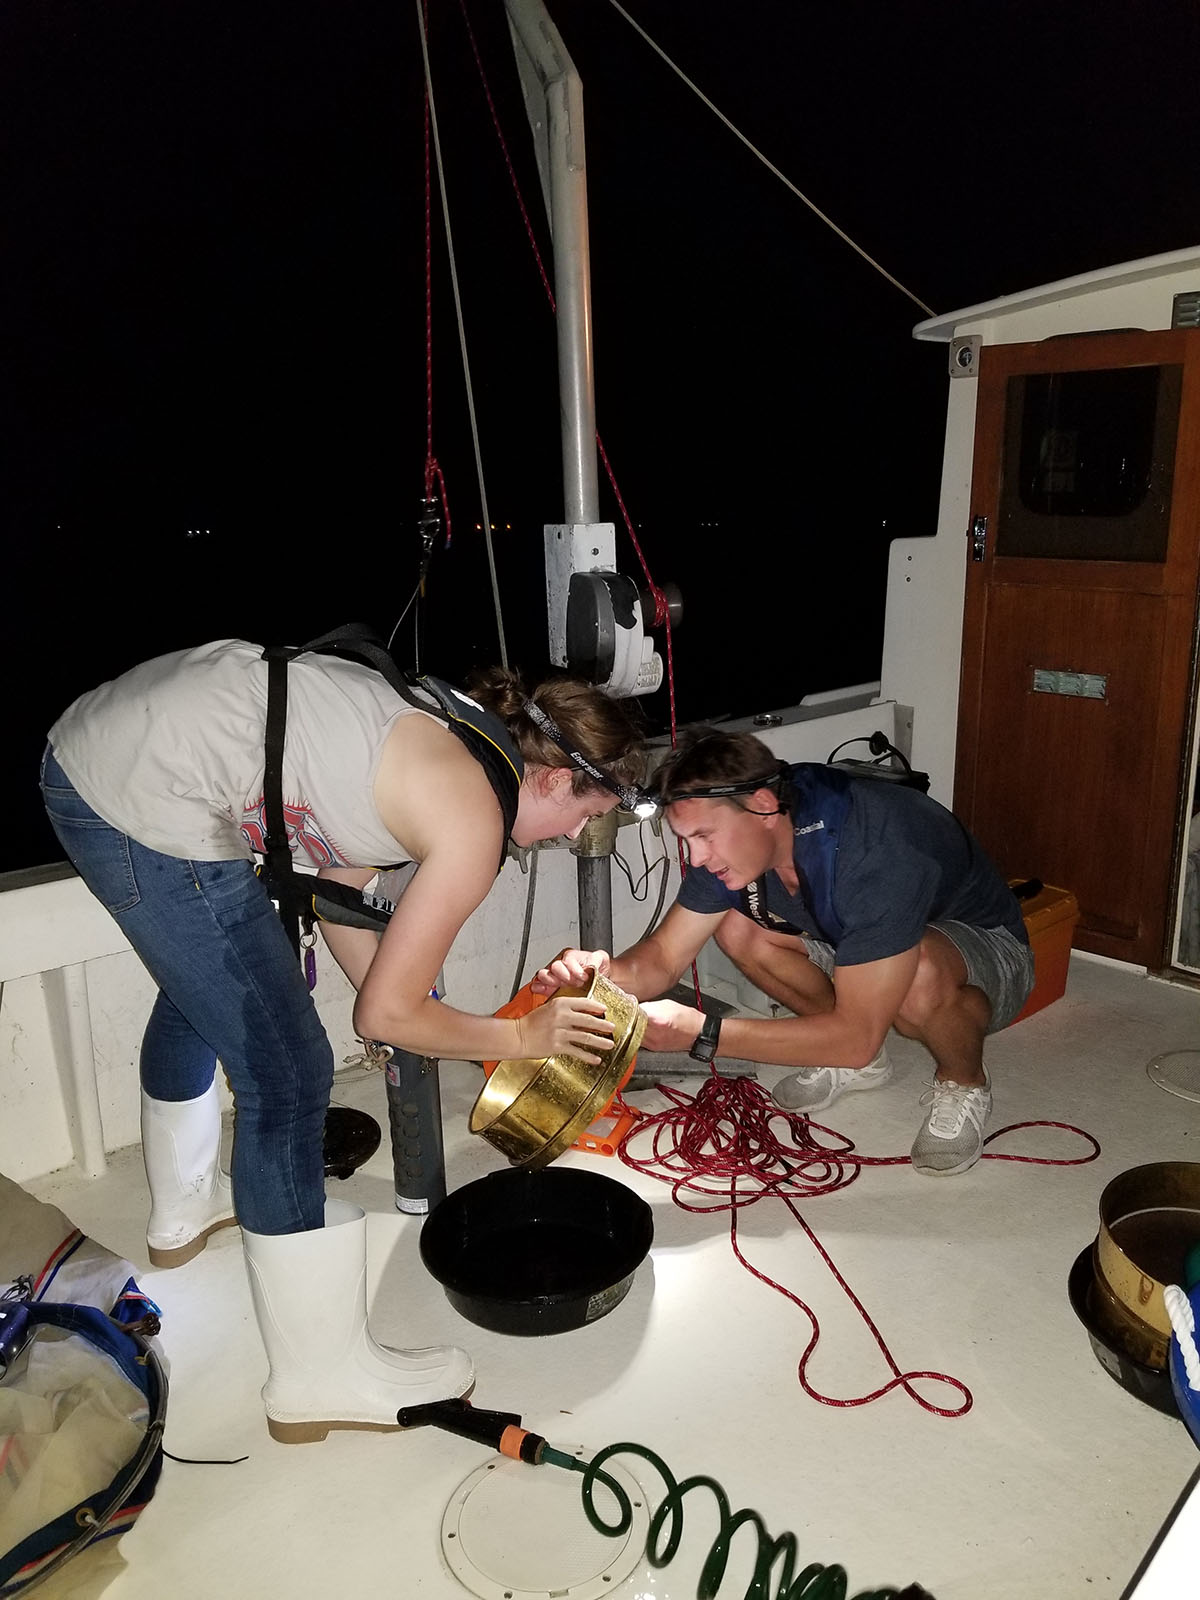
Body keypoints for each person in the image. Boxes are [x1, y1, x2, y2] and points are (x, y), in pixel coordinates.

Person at [40, 634, 646, 1443]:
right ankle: (314, 1378)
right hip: (142, 787)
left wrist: (408, 1012)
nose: (568, 839)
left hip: (107, 741)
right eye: (583, 817)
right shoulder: (472, 819)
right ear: (554, 776)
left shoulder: (459, 729)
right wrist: (518, 1036)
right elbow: (385, 1019)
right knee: (288, 1072)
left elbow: (338, 896)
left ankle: (184, 1212)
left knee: (210, 990)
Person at [532, 727, 1033, 1179]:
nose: (697, 858)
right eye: (687, 841)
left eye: (704, 837)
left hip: (985, 946)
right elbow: (663, 958)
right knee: (736, 925)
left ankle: (964, 1082)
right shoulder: (748, 834)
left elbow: (856, 1036)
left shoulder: (872, 852)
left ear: (765, 806)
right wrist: (602, 971)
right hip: (865, 937)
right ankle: (860, 1064)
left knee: (915, 980)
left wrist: (703, 1033)